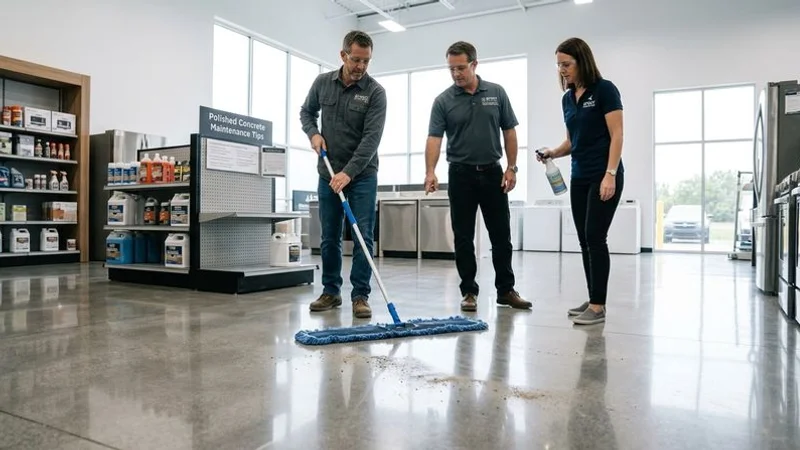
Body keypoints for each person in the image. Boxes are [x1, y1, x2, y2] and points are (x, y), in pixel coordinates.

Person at [424, 41, 531, 312]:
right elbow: (434, 139)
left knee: (501, 236)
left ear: (474, 64)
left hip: (493, 173)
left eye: (461, 67)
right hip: (460, 175)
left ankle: (506, 290)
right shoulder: (443, 101)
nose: (456, 73)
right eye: (451, 69)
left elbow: (509, 131)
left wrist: (512, 167)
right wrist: (430, 171)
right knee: (463, 237)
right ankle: (469, 291)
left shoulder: (496, 93)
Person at [299, 30, 387, 319]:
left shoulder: (375, 92)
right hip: (328, 173)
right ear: (343, 55)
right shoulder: (323, 83)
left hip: (361, 175)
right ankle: (331, 291)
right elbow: (306, 113)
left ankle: (360, 295)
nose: (361, 66)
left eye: (366, 61)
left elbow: (371, 140)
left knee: (363, 235)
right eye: (356, 59)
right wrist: (313, 134)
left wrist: (348, 173)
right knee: (329, 236)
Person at [537, 37, 624, 325]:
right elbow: (572, 141)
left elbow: (617, 134)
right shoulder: (568, 99)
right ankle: (593, 297)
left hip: (604, 175)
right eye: (558, 65)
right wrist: (553, 151)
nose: (562, 70)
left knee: (596, 237)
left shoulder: (605, 90)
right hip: (579, 177)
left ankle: (598, 307)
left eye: (566, 64)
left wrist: (610, 174)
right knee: (585, 240)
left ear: (582, 61)